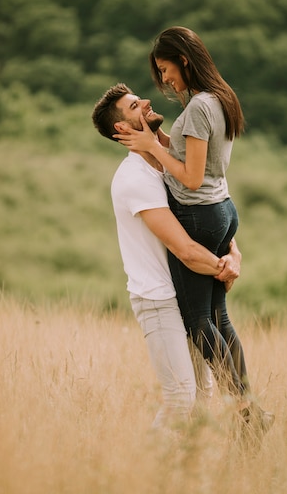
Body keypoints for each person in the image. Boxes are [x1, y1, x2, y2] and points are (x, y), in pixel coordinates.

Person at [113, 27, 274, 432]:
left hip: (200, 214)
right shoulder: (217, 98)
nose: (164, 80)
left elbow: (190, 176)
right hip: (222, 209)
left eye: (165, 69)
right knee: (219, 317)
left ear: (184, 60)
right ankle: (249, 404)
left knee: (200, 319)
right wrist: (156, 139)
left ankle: (245, 410)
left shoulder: (199, 106)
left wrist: (151, 148)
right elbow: (185, 149)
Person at [91, 83, 242, 431]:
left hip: (188, 294)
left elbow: (213, 208)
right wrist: (223, 269)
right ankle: (147, 475)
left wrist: (233, 252)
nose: (146, 102)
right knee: (181, 397)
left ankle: (185, 481)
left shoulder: (169, 160)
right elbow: (185, 249)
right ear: (123, 129)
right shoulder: (134, 179)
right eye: (133, 106)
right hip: (158, 298)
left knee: (203, 396)